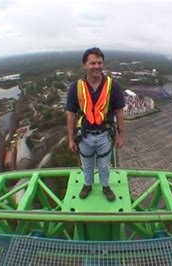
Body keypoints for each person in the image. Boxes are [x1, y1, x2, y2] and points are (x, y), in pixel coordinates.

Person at [66, 47, 125, 202]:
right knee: (87, 164)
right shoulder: (76, 87)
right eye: (93, 63)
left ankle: (105, 186)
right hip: (84, 135)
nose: (97, 66)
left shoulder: (113, 86)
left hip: (105, 134)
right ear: (84, 65)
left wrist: (120, 136)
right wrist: (71, 139)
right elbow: (71, 114)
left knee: (105, 164)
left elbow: (119, 112)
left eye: (100, 63)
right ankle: (88, 184)